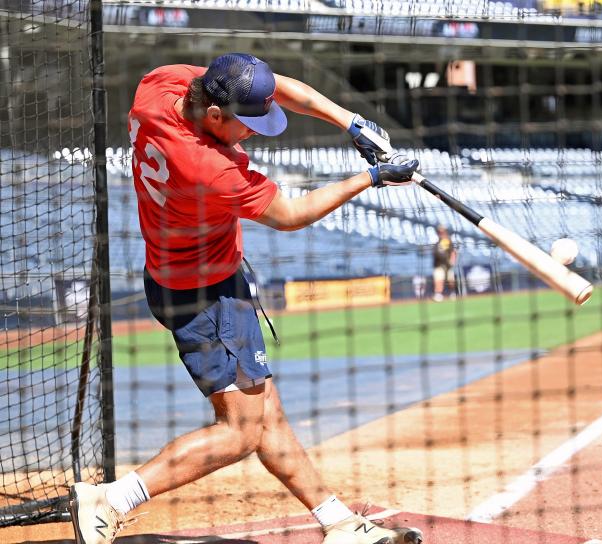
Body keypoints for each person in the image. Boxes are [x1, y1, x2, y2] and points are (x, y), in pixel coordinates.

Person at [68, 53, 424, 544]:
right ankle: (114, 498)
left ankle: (338, 522)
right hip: (204, 296)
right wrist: (373, 178)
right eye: (248, 123)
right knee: (242, 428)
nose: (255, 132)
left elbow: (277, 87)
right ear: (214, 116)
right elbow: (291, 214)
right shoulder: (207, 167)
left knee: (265, 413)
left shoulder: (160, 86)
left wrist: (352, 122)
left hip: (197, 278)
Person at [431, 225, 456, 301]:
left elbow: (453, 252)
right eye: (439, 232)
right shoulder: (436, 241)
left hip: (448, 265)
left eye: (442, 231)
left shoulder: (448, 241)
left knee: (450, 280)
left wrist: (452, 261)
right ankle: (438, 294)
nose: (441, 233)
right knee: (438, 280)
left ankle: (452, 293)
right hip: (438, 264)